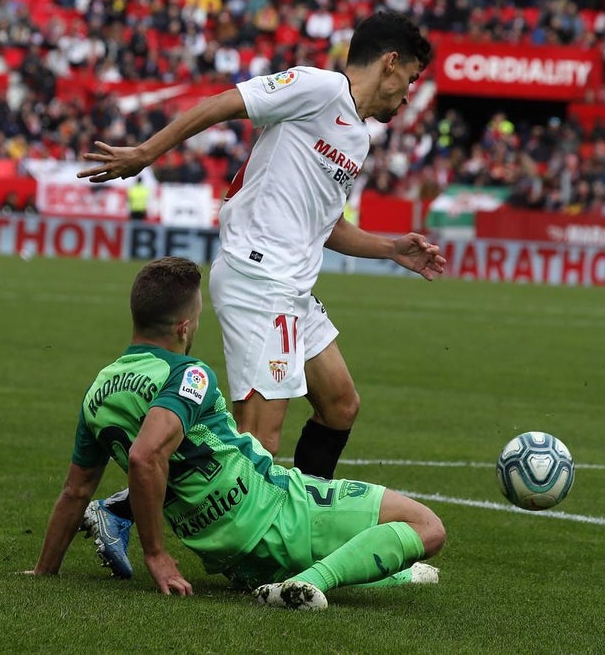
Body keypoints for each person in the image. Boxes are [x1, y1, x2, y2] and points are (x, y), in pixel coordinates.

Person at [76, 10, 445, 577]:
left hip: (293, 286)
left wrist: (393, 249)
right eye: (412, 79)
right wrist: (147, 152)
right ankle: (123, 512)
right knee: (258, 440)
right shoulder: (319, 88)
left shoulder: (357, 137)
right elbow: (223, 103)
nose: (409, 95)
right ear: (390, 62)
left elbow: (328, 226)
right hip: (259, 276)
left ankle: (317, 530)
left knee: (340, 403)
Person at [25, 257, 445, 610]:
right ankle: (310, 582)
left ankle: (371, 577)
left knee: (404, 570)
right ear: (184, 327)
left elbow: (75, 492)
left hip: (232, 557)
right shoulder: (187, 374)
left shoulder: (97, 392)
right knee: (426, 527)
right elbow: (144, 454)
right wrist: (155, 554)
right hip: (280, 509)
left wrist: (46, 569)